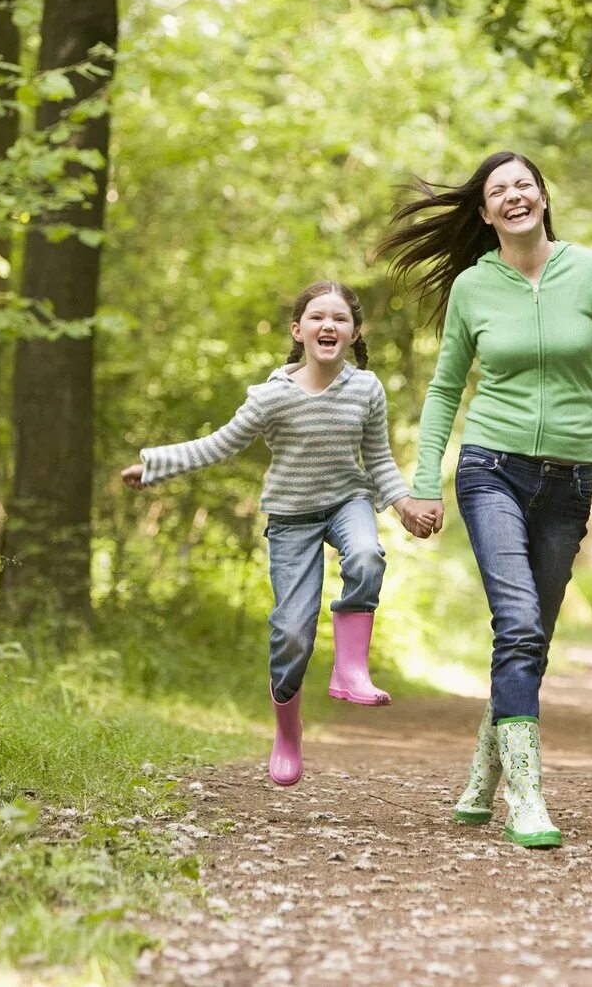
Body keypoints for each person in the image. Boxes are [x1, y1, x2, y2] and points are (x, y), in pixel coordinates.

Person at [377, 150, 592, 849]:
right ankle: (526, 797)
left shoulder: (590, 272)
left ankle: (482, 773)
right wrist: (423, 481)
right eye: (497, 190)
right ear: (484, 212)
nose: (512, 197)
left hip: (569, 479)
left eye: (522, 185)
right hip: (490, 468)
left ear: (542, 196)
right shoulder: (475, 286)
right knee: (521, 623)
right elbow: (446, 389)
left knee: (530, 638)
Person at [118, 281, 438, 788]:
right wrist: (153, 465)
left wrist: (402, 506)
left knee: (367, 555)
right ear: (298, 330)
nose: (328, 325)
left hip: (347, 502)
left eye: (339, 318)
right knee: (292, 632)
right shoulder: (272, 397)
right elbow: (217, 445)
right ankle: (288, 731)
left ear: (354, 332)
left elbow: (377, 460)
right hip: (291, 516)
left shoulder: (366, 389)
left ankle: (350, 671)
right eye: (317, 317)